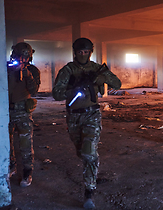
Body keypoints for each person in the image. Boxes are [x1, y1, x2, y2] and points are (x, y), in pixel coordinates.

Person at [52, 37, 121, 209]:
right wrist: (74, 89)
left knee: (89, 151)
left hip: (92, 114)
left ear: (90, 52)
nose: (83, 55)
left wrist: (101, 78)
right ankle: (91, 168)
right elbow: (56, 94)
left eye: (86, 52)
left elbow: (117, 83)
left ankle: (89, 191)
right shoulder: (68, 70)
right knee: (81, 152)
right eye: (80, 52)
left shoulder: (97, 68)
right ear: (74, 52)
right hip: (74, 116)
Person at [8, 42, 41, 187]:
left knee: (25, 143)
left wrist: (27, 75)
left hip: (22, 111)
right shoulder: (5, 68)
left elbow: (34, 91)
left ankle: (27, 171)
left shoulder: (32, 71)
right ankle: (10, 166)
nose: (22, 60)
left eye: (25, 57)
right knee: (6, 143)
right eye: (18, 56)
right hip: (6, 110)